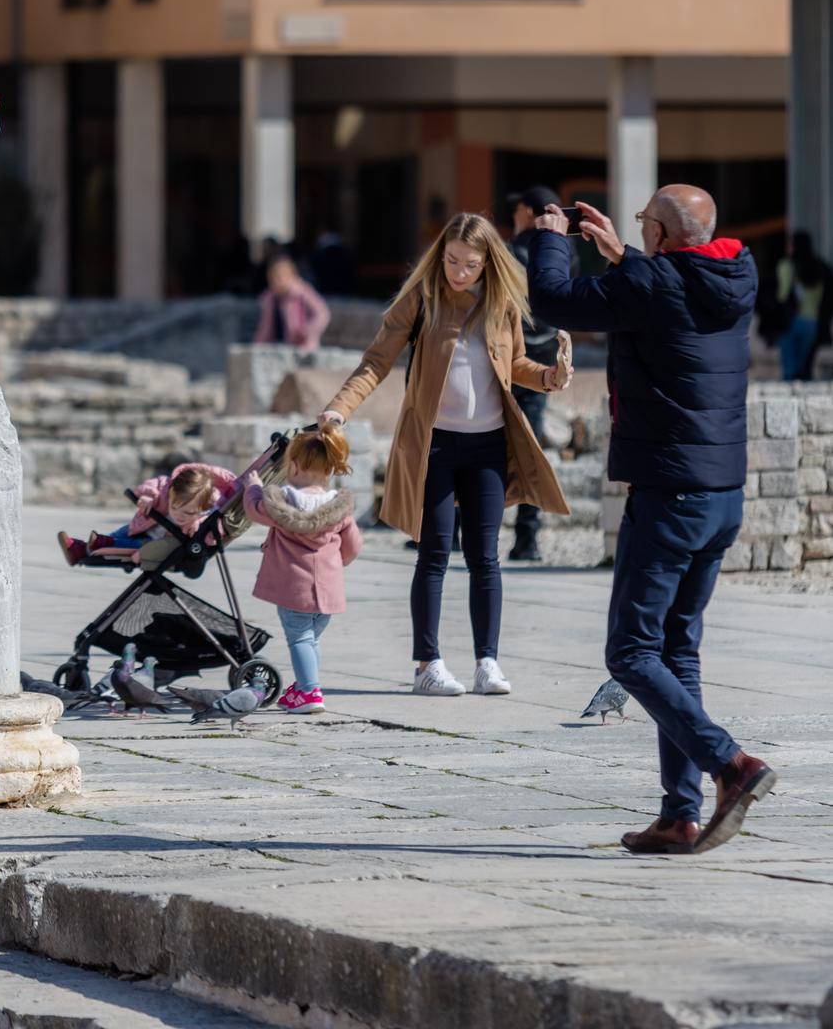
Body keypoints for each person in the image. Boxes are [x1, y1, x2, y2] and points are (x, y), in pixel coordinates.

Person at [529, 187, 777, 854]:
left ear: (663, 235)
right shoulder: (733, 275)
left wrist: (550, 235)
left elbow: (552, 300)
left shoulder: (650, 280)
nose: (637, 230)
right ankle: (678, 814)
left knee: (631, 653)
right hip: (719, 493)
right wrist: (621, 254)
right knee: (676, 649)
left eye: (644, 222)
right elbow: (662, 294)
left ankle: (730, 764)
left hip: (668, 494)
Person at [319, 212, 571, 698]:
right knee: (433, 553)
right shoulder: (424, 298)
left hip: (489, 445)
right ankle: (426, 665)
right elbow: (376, 361)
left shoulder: (500, 304)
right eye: (452, 260)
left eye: (470, 264)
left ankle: (487, 662)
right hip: (434, 444)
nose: (459, 271)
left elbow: (514, 364)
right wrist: (337, 409)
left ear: (487, 263)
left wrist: (549, 377)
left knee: (485, 558)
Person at [243, 425, 362, 714]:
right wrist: (339, 562)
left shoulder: (281, 502)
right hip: (328, 592)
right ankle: (305, 685)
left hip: (294, 589)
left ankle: (310, 692)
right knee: (310, 639)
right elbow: (354, 545)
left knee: (300, 638)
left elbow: (254, 509)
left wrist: (254, 487)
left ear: (292, 467)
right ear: (331, 471)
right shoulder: (338, 507)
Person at [506, 185, 567, 562]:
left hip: (508, 358)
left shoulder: (511, 252)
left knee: (476, 440)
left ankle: (453, 531)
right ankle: (528, 538)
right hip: (545, 359)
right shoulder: (564, 253)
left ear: (528, 212)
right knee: (533, 448)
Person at [57, 463, 237, 565]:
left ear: (203, 507)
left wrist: (201, 523)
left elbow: (217, 527)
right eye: (174, 507)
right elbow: (154, 486)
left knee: (122, 544)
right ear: (171, 493)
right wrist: (146, 497)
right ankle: (82, 549)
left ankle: (95, 545)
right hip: (146, 526)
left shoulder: (211, 507)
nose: (180, 515)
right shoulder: (168, 488)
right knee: (120, 533)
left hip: (160, 544)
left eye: (189, 512)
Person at [775, 229, 833, 381]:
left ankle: (790, 403)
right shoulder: (822, 267)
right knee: (805, 369)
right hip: (813, 322)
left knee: (789, 370)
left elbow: (782, 295)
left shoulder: (787, 266)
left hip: (791, 321)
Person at [254, 254, 331, 351]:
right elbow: (265, 328)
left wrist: (307, 331)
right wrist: (257, 347)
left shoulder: (302, 292)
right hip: (277, 347)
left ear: (291, 276)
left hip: (302, 348)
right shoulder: (270, 299)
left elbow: (322, 313)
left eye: (279, 277)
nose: (277, 282)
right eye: (272, 279)